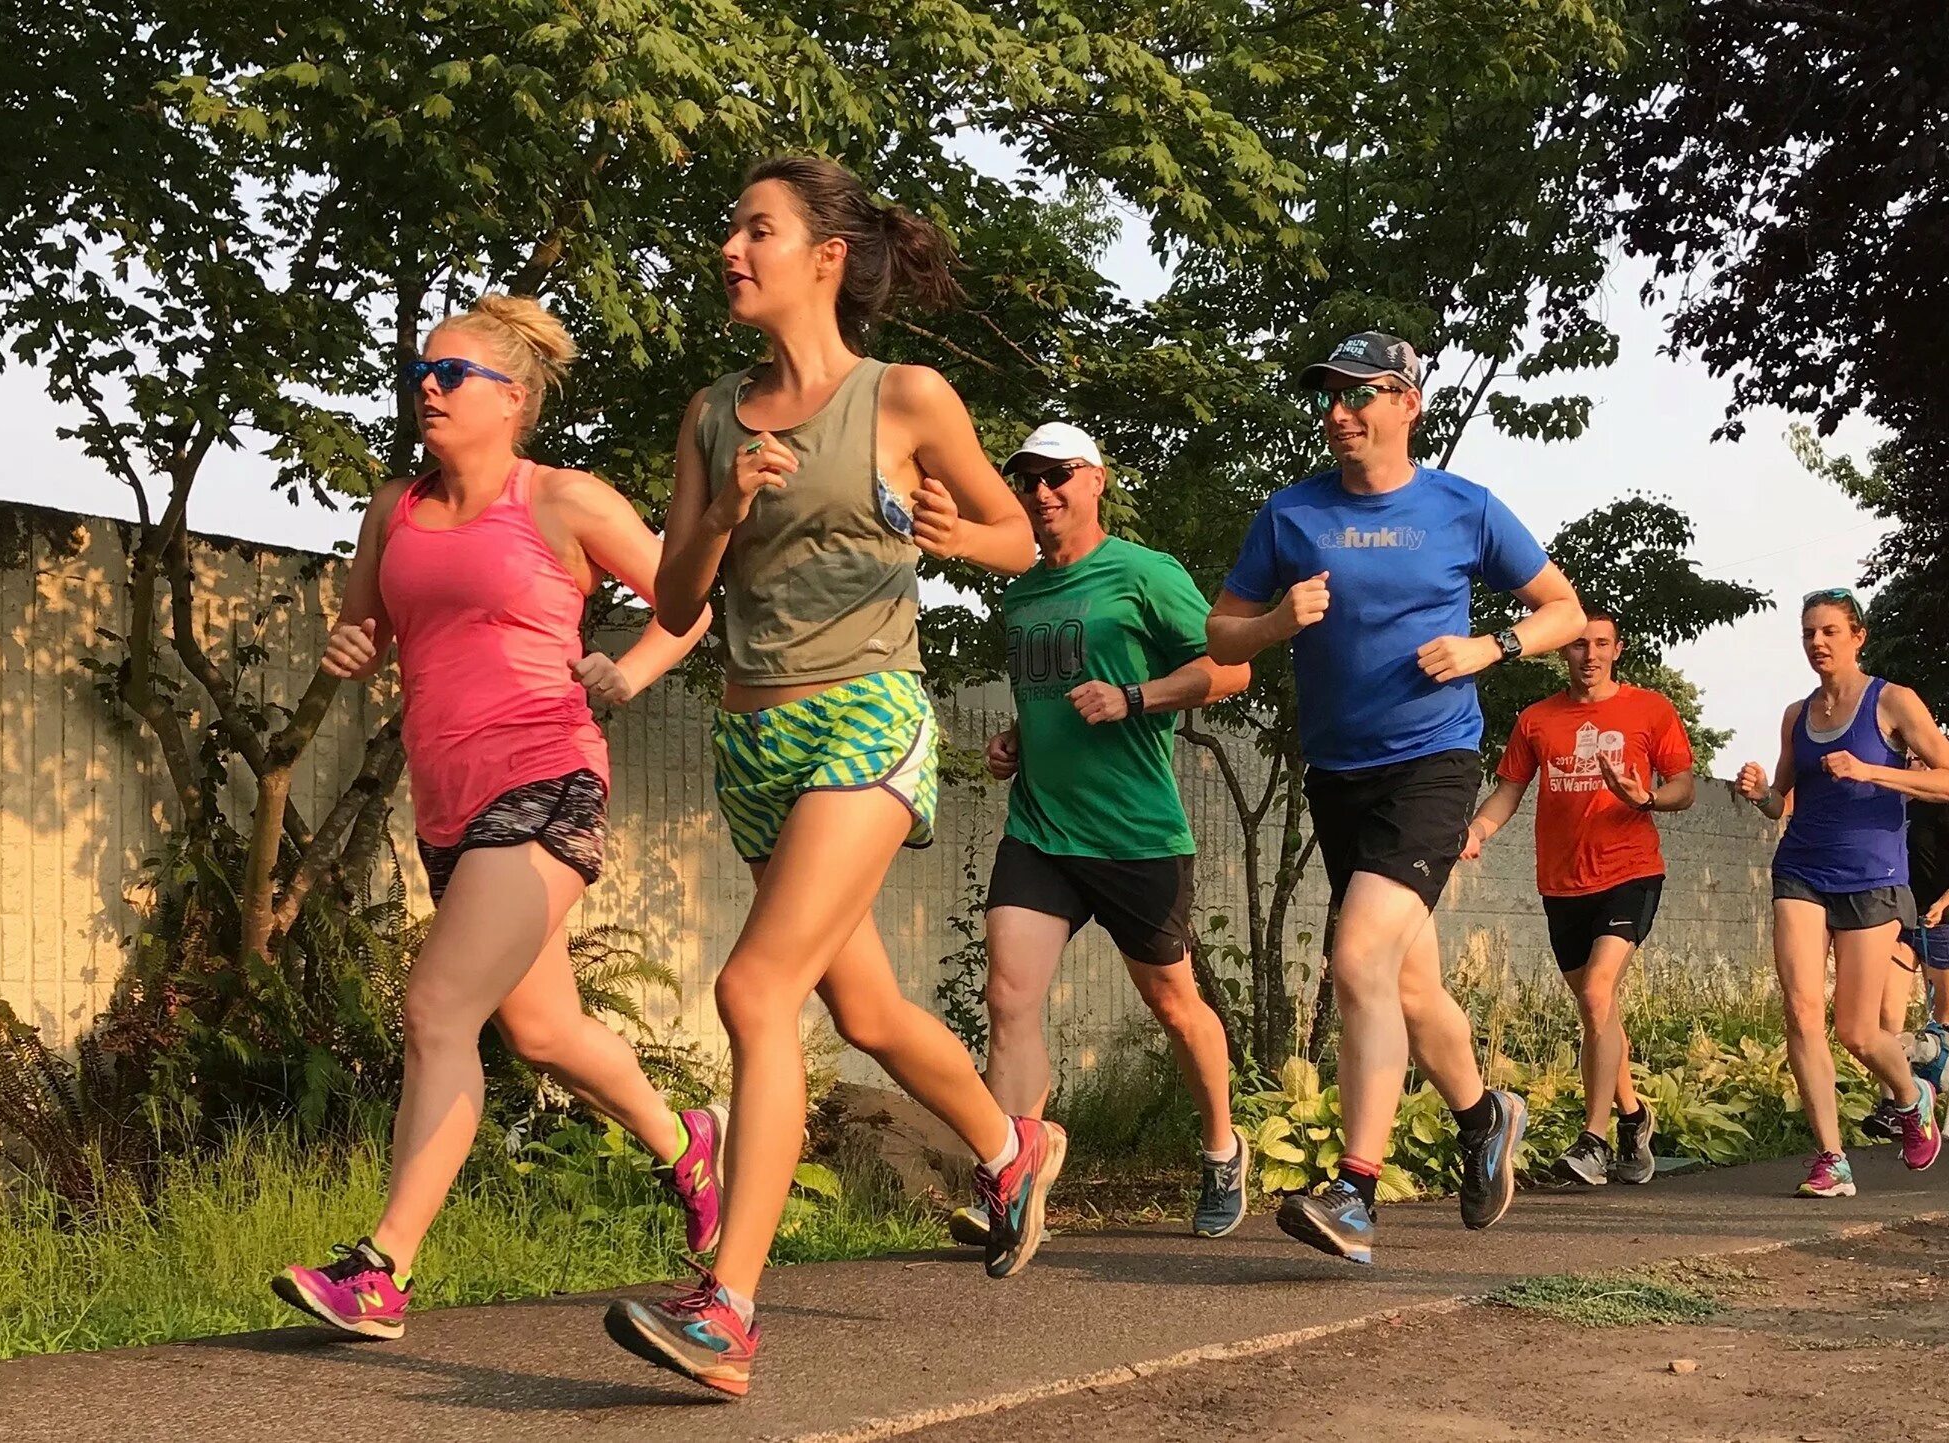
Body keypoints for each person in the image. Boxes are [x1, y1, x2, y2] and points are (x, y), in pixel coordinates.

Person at [604, 156, 1055, 1398]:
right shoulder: (710, 414)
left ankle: (729, 1310)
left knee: (755, 989)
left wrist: (969, 537)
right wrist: (722, 512)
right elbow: (680, 594)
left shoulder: (901, 395)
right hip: (750, 741)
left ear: (827, 258)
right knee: (859, 1012)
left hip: (866, 713)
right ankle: (1006, 1147)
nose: (730, 250)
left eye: (758, 230)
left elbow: (1013, 532)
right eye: (729, 230)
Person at [272, 295, 719, 1339]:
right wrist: (351, 651)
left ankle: (382, 1268)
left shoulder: (563, 500)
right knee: (544, 1029)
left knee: (436, 1009)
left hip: (546, 776)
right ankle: (687, 1142)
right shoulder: (394, 508)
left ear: (511, 398)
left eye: (452, 374)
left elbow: (690, 596)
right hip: (446, 798)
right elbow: (367, 625)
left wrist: (635, 668)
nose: (426, 387)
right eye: (423, 373)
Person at [1206, 330, 1586, 1264]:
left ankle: (1356, 1189)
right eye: (1329, 397)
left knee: (1358, 959)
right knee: (1408, 982)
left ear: (1408, 403)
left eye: (1359, 394)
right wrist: (1273, 622)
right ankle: (1485, 1114)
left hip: (1434, 764)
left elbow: (1566, 609)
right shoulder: (1291, 515)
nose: (1339, 412)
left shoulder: (1463, 508)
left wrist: (1490, 648)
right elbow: (1220, 637)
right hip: (1339, 775)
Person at [943, 422, 1252, 1250]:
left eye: (1057, 477)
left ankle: (1223, 1148)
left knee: (1174, 1004)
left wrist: (1135, 696)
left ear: (1096, 481)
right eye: (1027, 479)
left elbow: (1230, 668)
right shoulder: (1022, 591)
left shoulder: (1145, 572)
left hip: (1135, 834)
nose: (1040, 493)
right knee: (1008, 996)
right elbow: (1045, 694)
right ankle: (1011, 1171)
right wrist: (1018, 737)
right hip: (1042, 829)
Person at [1734, 589, 1949, 1197]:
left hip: (1872, 878)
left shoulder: (1892, 702)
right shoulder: (1798, 714)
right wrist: (1760, 790)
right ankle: (1831, 1158)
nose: (1818, 642)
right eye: (1809, 632)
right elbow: (1779, 803)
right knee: (1801, 1012)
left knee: (1858, 1032)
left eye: (1830, 631)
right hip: (1801, 871)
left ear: (1857, 636)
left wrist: (1872, 771)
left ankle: (1911, 1091)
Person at [1463, 609, 1695, 1185]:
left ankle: (1591, 1141)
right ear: (1561, 653)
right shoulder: (1537, 720)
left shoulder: (1650, 710)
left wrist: (1646, 798)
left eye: (1601, 645)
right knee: (1599, 1010)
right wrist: (1476, 831)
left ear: (1616, 651)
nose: (1589, 655)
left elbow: (1683, 787)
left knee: (1596, 992)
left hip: (1630, 872)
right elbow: (1509, 790)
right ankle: (1635, 1117)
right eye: (1577, 646)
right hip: (1562, 884)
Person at [1864, 755, 1949, 1138]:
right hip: (1900, 922)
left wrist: (1943, 903)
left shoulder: (1944, 809)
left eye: (1916, 758)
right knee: (1886, 1015)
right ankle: (1895, 1107)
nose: (1908, 761)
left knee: (1947, 1024)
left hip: (1944, 924)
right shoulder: (1889, 807)